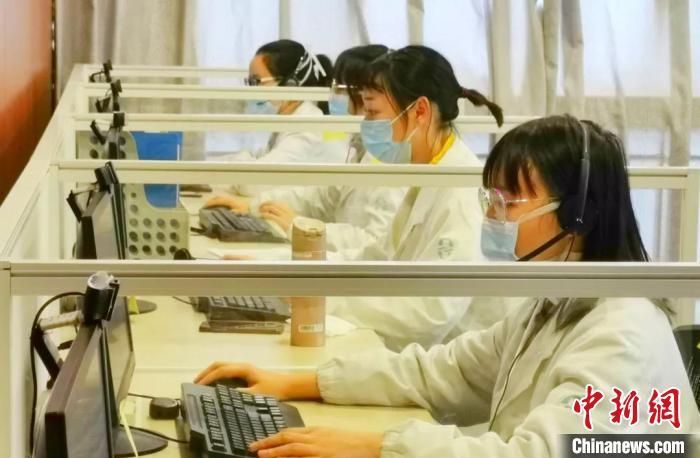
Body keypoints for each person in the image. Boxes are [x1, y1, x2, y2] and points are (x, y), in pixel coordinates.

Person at [195, 115, 700, 457]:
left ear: (577, 214)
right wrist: (300, 383)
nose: (493, 215)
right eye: (491, 199)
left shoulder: (623, 335)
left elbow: (539, 454)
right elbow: (449, 371)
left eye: (509, 201)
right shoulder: (555, 301)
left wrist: (377, 446)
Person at [320, 45, 504, 348]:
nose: (367, 125)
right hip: (415, 353)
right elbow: (379, 257)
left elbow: (430, 314)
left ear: (419, 111)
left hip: (450, 361)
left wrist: (327, 299)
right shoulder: (428, 173)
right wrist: (300, 270)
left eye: (373, 113)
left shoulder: (460, 193)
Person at [206, 44, 407, 256]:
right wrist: (255, 207)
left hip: (349, 266)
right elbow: (322, 198)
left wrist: (302, 228)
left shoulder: (391, 159)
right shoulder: (360, 146)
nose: (336, 97)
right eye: (335, 88)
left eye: (342, 90)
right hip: (336, 260)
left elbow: (374, 245)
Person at [227, 39, 335, 196]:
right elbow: (256, 161)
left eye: (256, 81)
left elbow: (250, 183)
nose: (251, 90)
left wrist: (243, 161)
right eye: (249, 82)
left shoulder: (307, 130)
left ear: (290, 85)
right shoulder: (288, 123)